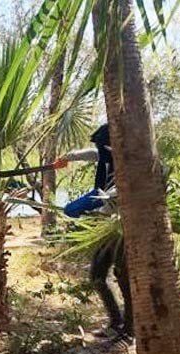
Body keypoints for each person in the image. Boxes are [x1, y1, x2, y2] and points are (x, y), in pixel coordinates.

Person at [55, 124, 132, 338]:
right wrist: (67, 157)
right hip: (104, 229)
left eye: (104, 147)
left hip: (123, 231)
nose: (102, 152)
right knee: (97, 276)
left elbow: (112, 195)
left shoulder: (129, 161)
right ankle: (115, 322)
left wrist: (91, 201)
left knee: (123, 278)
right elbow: (91, 154)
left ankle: (130, 329)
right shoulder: (106, 156)